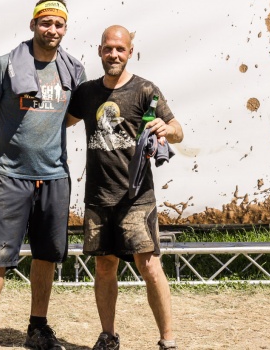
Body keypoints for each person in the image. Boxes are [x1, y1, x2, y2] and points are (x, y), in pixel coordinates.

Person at [0, 0, 86, 350]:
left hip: (54, 177)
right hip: (9, 176)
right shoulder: (4, 65)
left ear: (65, 28)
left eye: (59, 24)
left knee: (46, 256)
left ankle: (38, 329)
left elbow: (73, 116)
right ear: (33, 24)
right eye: (46, 22)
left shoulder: (74, 70)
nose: (52, 29)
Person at [67, 26, 184, 350]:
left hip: (137, 198)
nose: (114, 54)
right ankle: (108, 336)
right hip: (98, 197)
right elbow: (59, 122)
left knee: (149, 266)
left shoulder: (145, 90)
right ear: (99, 51)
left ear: (130, 52)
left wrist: (166, 129)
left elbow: (178, 130)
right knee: (104, 266)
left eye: (120, 49)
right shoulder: (86, 93)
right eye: (108, 48)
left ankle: (168, 341)